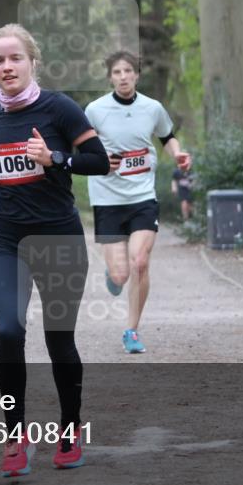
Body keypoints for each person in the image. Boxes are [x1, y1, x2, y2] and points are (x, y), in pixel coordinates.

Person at [0, 24, 109, 477]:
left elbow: (99, 161)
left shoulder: (58, 108)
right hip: (7, 238)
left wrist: (56, 159)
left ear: (32, 62)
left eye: (15, 58)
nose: (7, 67)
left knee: (58, 339)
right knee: (8, 332)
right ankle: (15, 437)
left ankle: (69, 430)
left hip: (58, 237)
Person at [85, 51, 191, 354]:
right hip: (107, 199)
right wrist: (100, 160)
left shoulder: (152, 108)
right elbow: (79, 144)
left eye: (128, 71)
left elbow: (167, 136)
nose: (122, 77)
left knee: (140, 263)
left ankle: (131, 330)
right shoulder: (95, 110)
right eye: (116, 72)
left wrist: (178, 155)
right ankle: (113, 274)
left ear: (137, 75)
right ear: (110, 77)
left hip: (142, 197)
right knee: (120, 274)